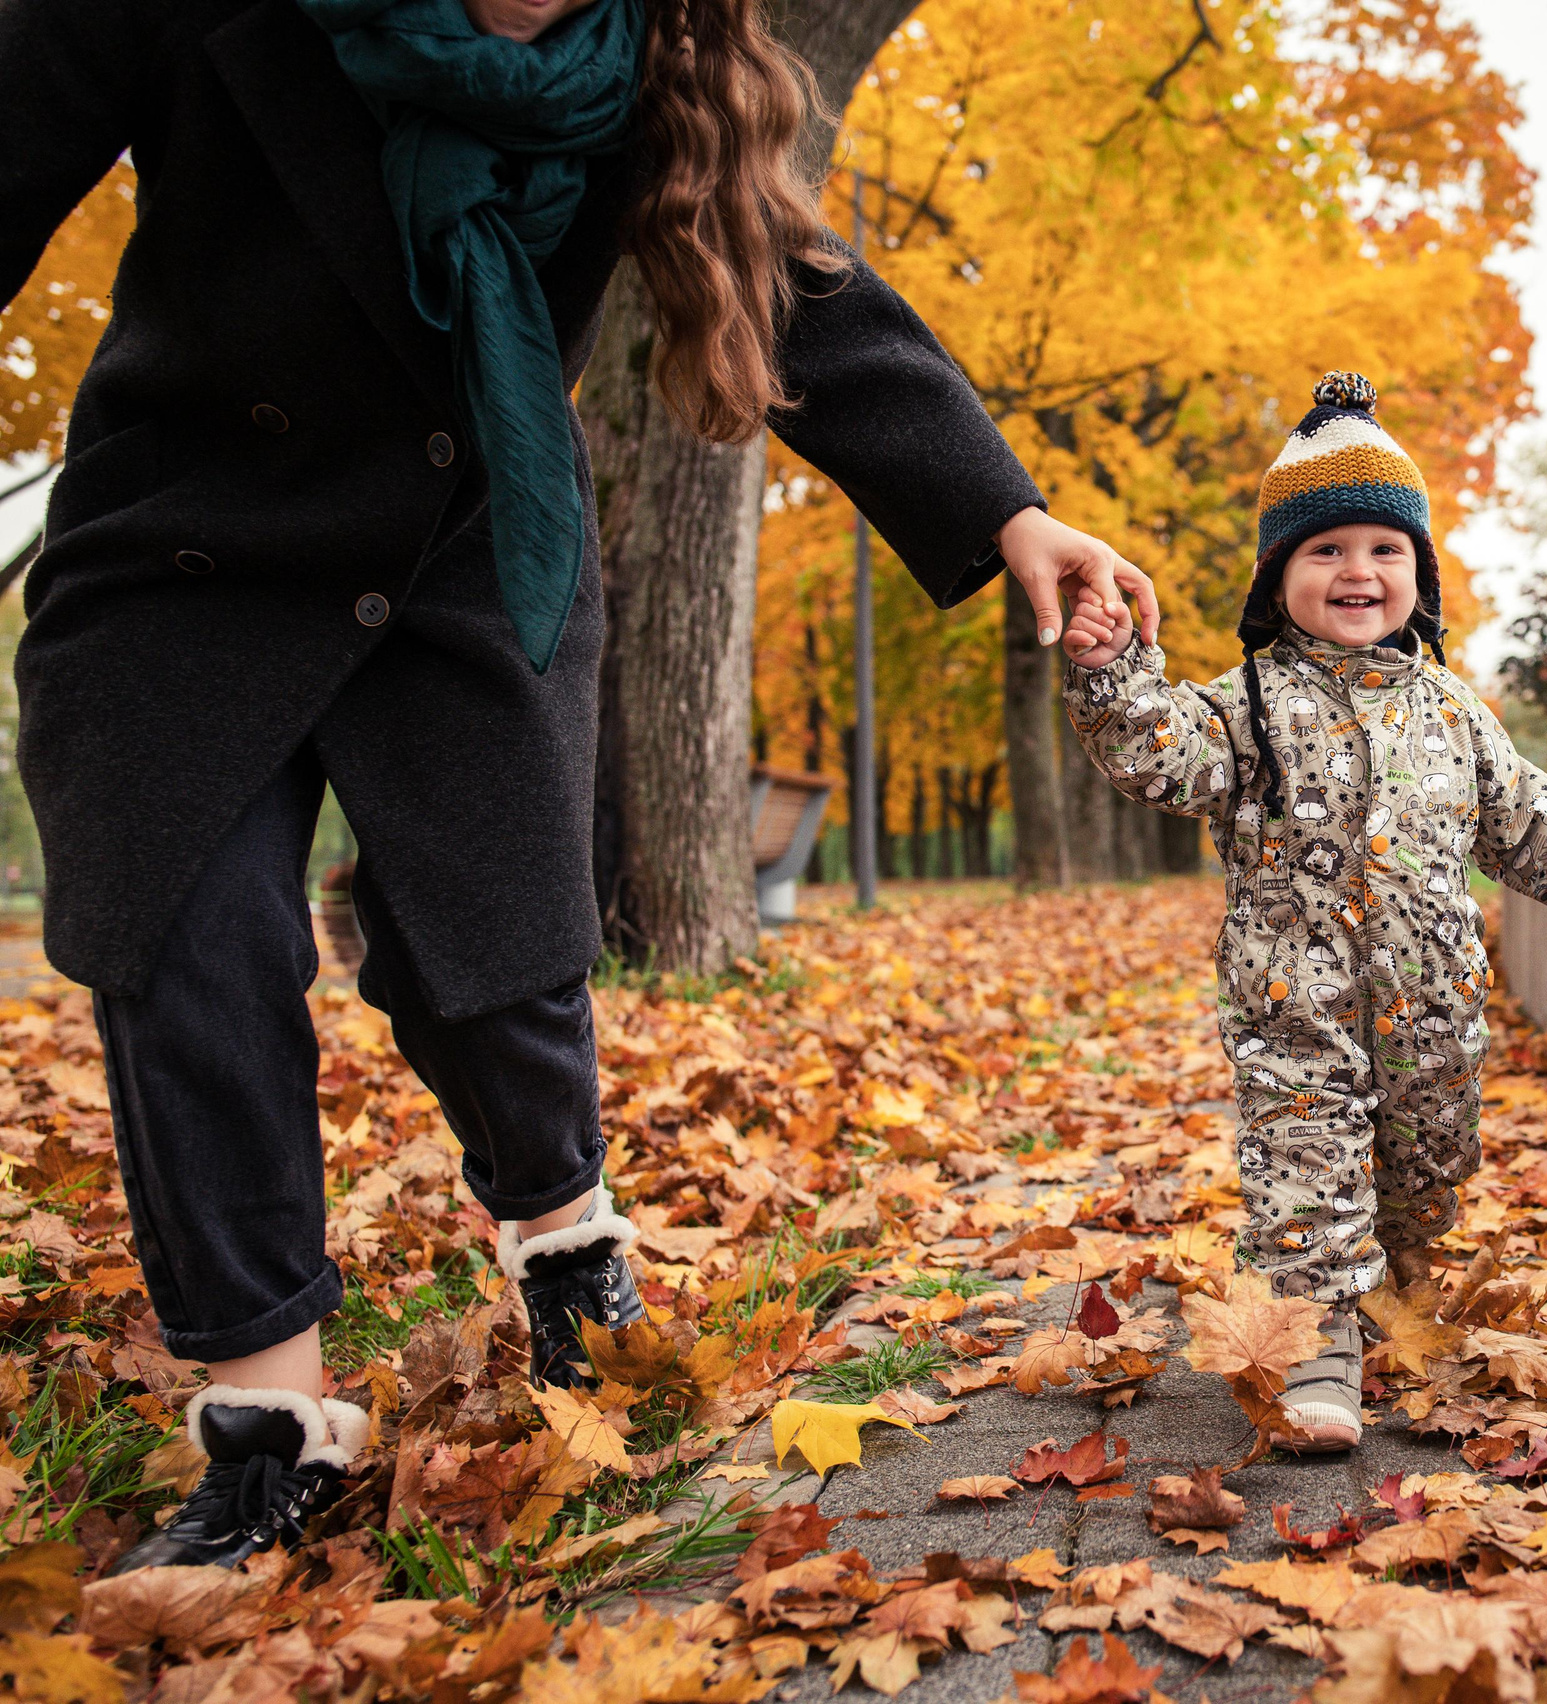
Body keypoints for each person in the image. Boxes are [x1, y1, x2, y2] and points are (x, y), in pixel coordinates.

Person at [0, 0, 1153, 1572]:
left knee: (487, 962)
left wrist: (1009, 514)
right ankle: (274, 1429)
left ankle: (563, 1235)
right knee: (187, 940)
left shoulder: (650, 70)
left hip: (470, 539)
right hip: (182, 543)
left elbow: (798, 290)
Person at [1059, 372, 1547, 1451]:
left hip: (1435, 1019)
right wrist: (1112, 674)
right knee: (1308, 1164)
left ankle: (1388, 1279)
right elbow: (1161, 752)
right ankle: (1315, 1330)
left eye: (1384, 551)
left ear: (1416, 575)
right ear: (1278, 575)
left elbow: (1520, 814)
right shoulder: (1243, 707)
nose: (1356, 572)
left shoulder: (1450, 712)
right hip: (1297, 1012)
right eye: (1324, 550)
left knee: (1425, 1172)